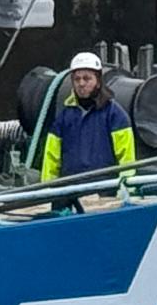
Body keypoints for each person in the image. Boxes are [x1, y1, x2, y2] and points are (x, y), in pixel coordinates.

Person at [35, 50, 140, 199]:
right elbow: (51, 160)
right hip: (70, 195)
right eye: (77, 79)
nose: (81, 84)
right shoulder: (63, 117)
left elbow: (127, 159)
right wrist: (47, 192)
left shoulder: (115, 115)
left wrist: (125, 190)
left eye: (87, 78)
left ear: (98, 80)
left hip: (105, 194)